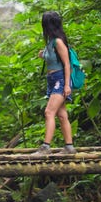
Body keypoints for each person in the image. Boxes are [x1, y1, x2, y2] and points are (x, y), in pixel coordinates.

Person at [33, 11, 77, 154]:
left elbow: (67, 64)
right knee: (62, 115)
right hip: (52, 80)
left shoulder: (58, 41)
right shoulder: (51, 42)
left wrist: (66, 85)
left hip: (60, 79)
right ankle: (69, 147)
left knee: (49, 112)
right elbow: (52, 58)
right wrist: (43, 55)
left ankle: (45, 147)